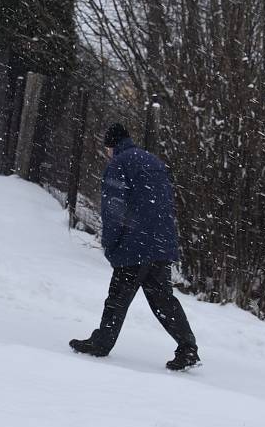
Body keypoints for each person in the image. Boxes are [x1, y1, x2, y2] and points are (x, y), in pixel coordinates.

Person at [69, 123, 200, 371]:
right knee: (163, 300)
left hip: (134, 243)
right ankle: (187, 347)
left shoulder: (119, 165)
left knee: (118, 297)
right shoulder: (153, 162)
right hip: (160, 243)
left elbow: (114, 208)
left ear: (111, 146)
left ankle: (101, 343)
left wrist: (110, 243)